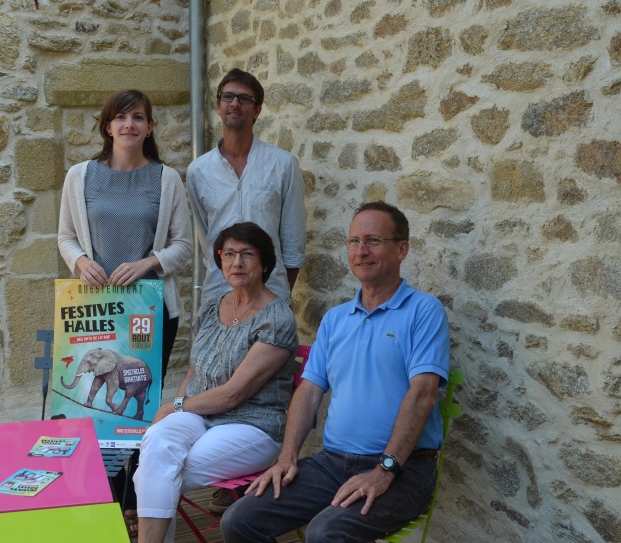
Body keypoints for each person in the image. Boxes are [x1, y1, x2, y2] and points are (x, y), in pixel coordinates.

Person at [221, 202, 451, 543]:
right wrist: (287, 457)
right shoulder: (336, 319)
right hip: (332, 464)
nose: (361, 251)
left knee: (326, 532)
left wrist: (385, 469)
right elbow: (310, 391)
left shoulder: (424, 310)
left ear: (402, 248)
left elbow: (423, 394)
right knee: (239, 520)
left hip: (404, 469)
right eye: (354, 241)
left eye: (373, 240)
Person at [57, 89, 193, 537]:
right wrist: (80, 261)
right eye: (120, 118)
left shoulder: (167, 179)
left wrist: (148, 263)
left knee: (139, 407)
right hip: (98, 309)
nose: (129, 125)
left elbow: (183, 247)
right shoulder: (80, 177)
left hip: (150, 312)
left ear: (150, 127)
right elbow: (65, 237)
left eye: (138, 118)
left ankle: (136, 505)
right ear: (107, 126)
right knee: (102, 414)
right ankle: (107, 502)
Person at [133, 222, 299, 543]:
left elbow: (234, 394)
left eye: (247, 254)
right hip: (201, 416)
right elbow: (195, 370)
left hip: (252, 425)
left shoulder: (276, 319)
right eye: (229, 254)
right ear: (220, 261)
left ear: (265, 263)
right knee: (157, 443)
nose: (237, 263)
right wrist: (177, 413)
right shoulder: (212, 307)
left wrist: (175, 405)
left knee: (158, 472)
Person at [188, 68, 306, 306]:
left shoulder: (283, 165)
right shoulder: (198, 171)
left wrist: (278, 294)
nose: (235, 103)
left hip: (270, 291)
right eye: (227, 97)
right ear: (218, 105)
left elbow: (293, 244)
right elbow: (207, 238)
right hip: (218, 293)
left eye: (244, 99)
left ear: (257, 110)